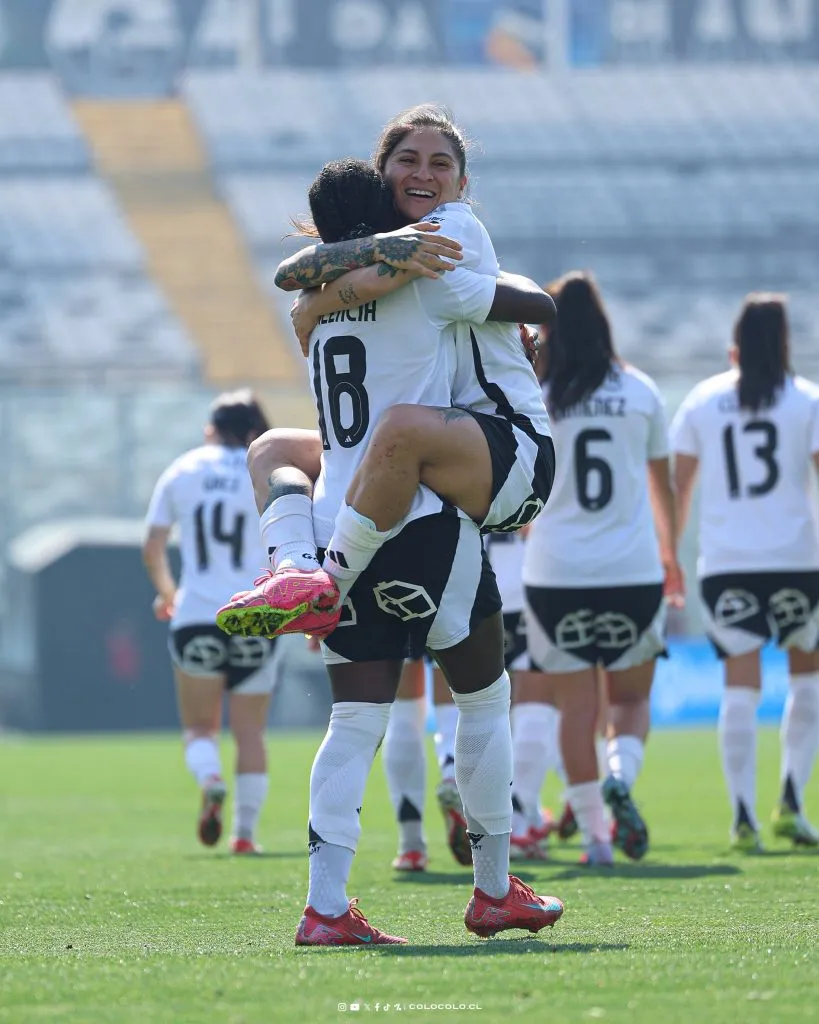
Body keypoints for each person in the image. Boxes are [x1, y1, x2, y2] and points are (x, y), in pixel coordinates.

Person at [237, 147, 563, 945]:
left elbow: (311, 289)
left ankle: (323, 909)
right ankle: (493, 891)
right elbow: (522, 311)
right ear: (388, 213)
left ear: (319, 230)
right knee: (483, 701)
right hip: (417, 520)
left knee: (353, 720)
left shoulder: (309, 307)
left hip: (336, 510)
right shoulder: (425, 279)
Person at [218, 105, 555, 644]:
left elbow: (534, 303)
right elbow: (296, 272)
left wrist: (318, 306)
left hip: (506, 447)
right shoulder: (377, 261)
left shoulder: (451, 226)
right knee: (273, 448)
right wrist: (358, 268)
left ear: (462, 184)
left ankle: (324, 583)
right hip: (419, 457)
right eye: (408, 160)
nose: (424, 173)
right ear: (383, 175)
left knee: (397, 431)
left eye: (439, 163)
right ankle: (293, 571)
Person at [523, 272, 684, 865]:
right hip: (632, 565)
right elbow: (660, 485)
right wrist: (672, 556)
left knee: (575, 709)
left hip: (554, 570)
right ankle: (621, 774)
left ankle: (595, 840)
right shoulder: (640, 390)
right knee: (630, 702)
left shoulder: (536, 394)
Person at [672, 293, 819, 851]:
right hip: (797, 560)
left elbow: (678, 488)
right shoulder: (806, 399)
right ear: (784, 342)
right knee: (807, 677)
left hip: (727, 562)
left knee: (740, 683)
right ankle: (792, 801)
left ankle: (742, 816)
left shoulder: (705, 400)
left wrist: (670, 558)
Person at [142, 391, 277, 854]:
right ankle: (245, 834)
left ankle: (211, 777)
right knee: (250, 731)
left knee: (200, 728)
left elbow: (153, 544)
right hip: (254, 614)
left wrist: (167, 593)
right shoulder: (265, 468)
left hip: (197, 612)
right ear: (255, 431)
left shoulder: (182, 469)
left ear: (210, 429)